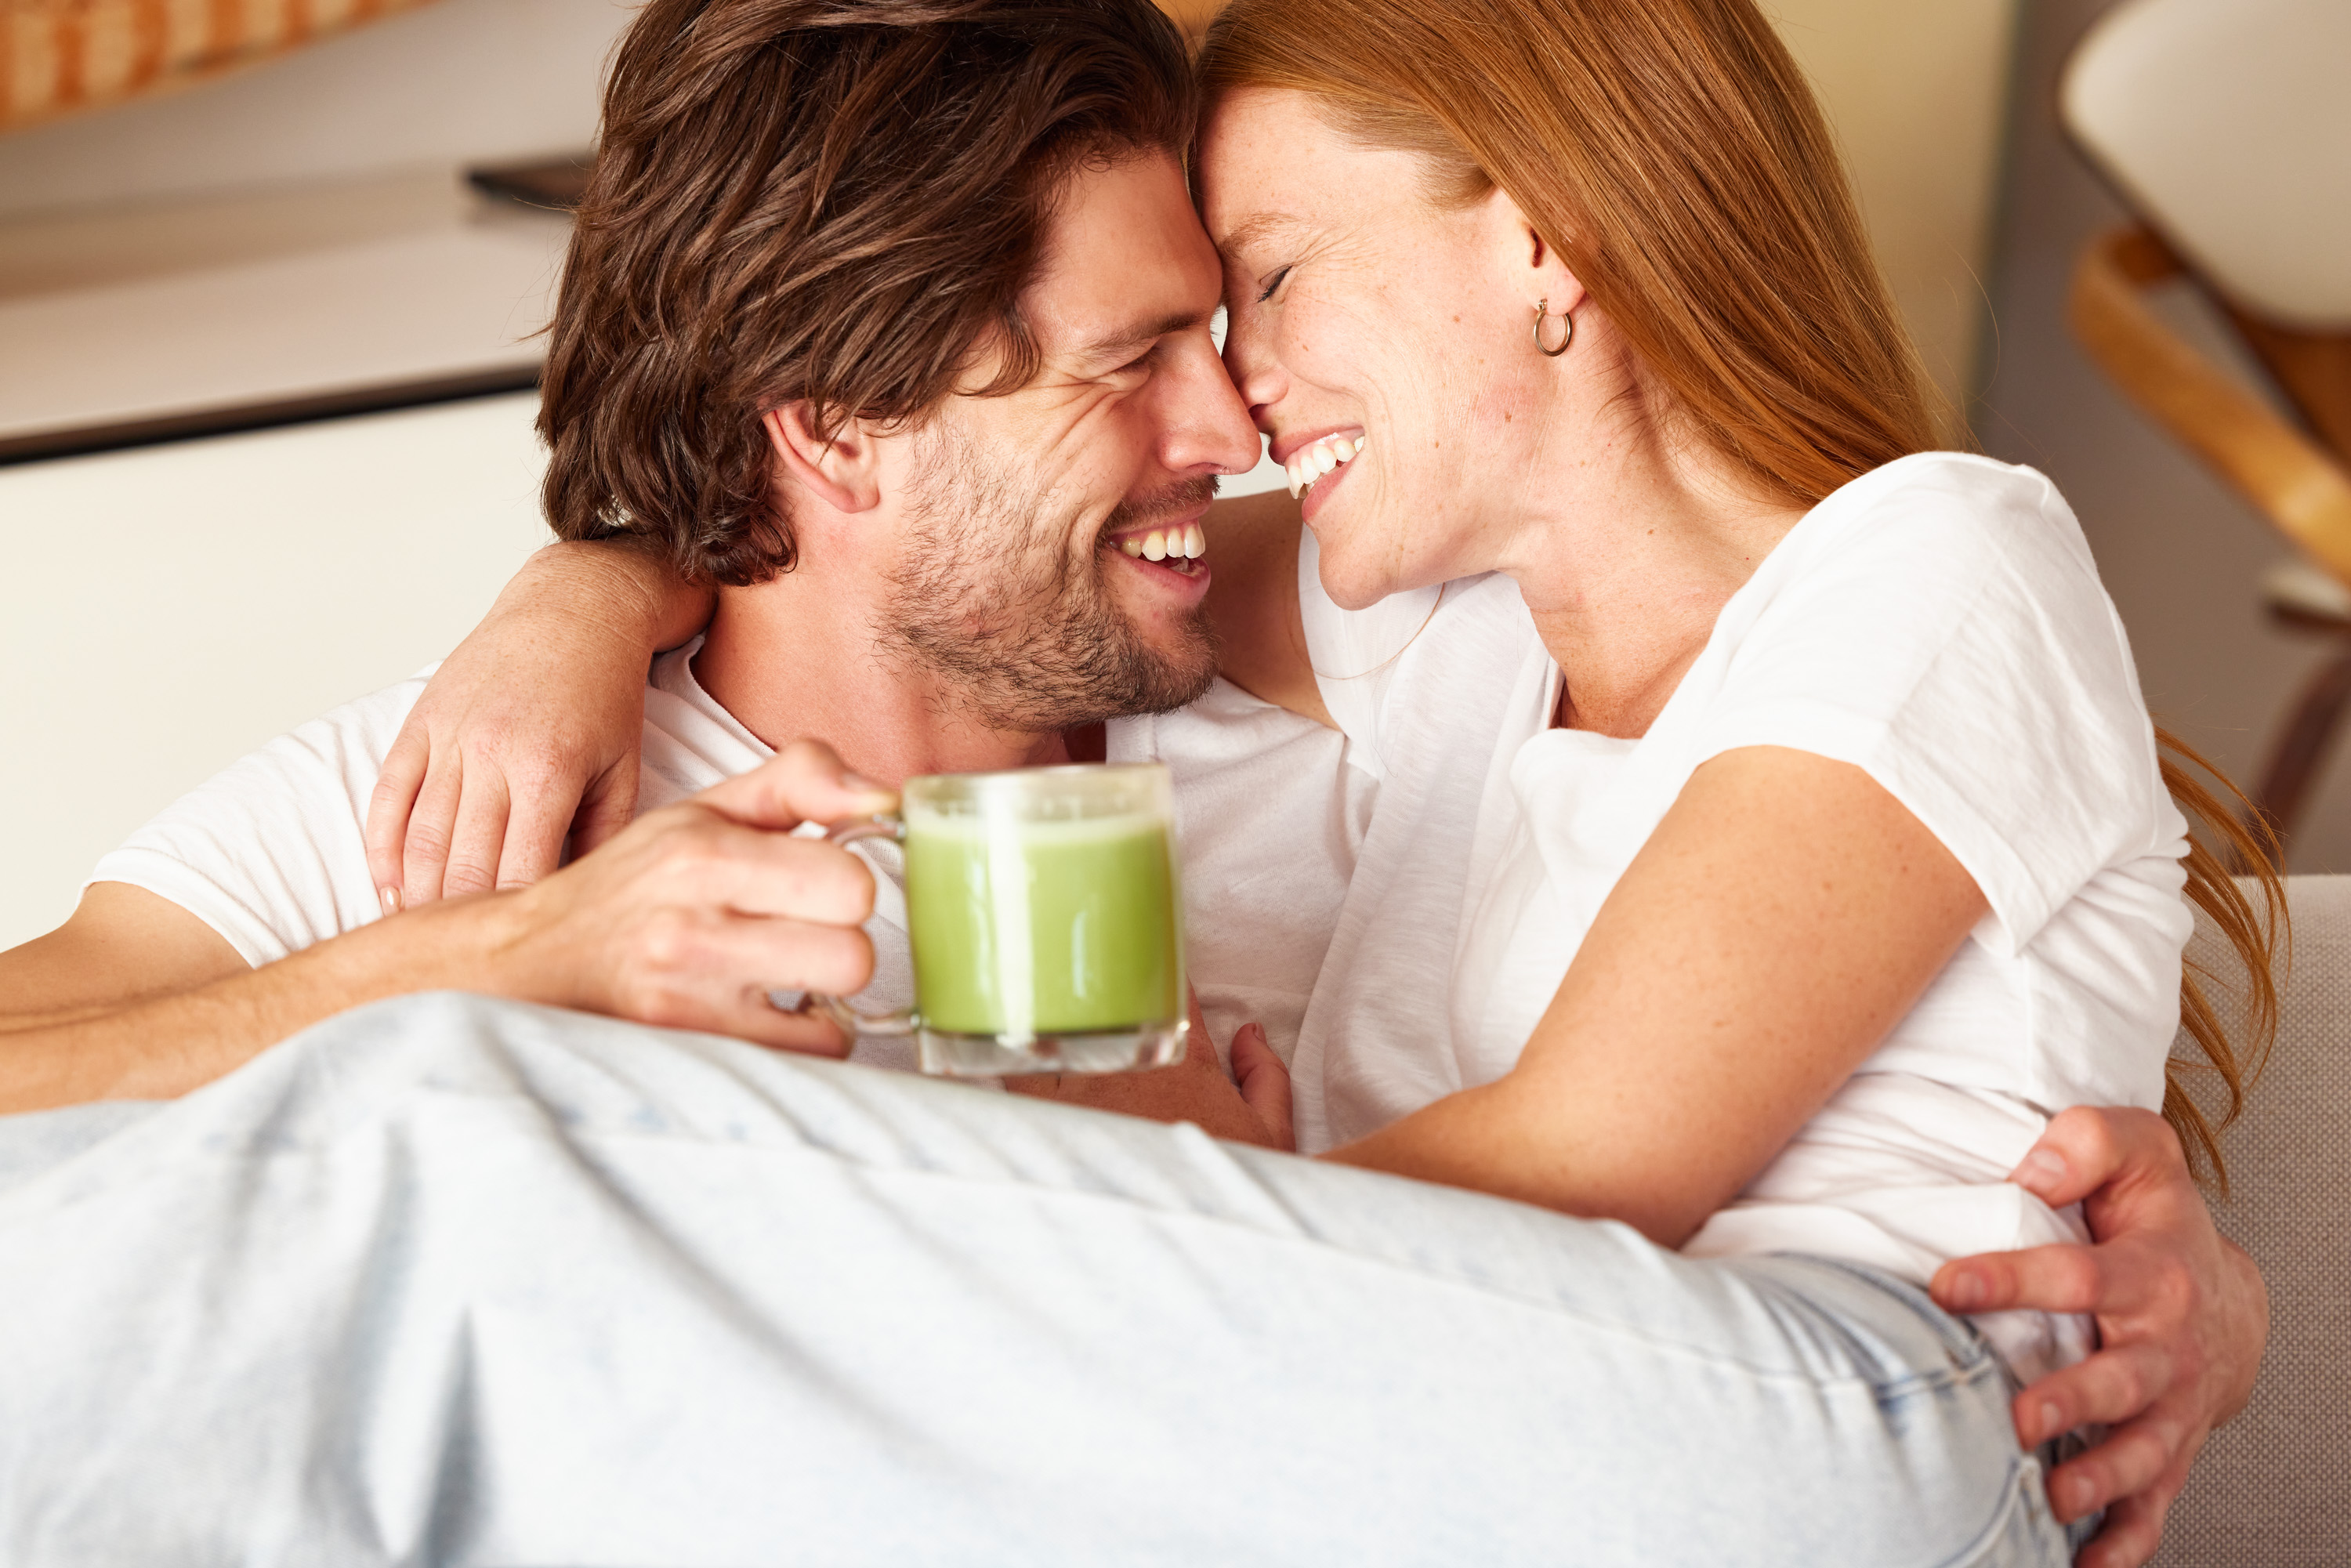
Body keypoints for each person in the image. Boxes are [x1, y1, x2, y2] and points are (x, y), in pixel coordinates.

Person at [0, 0, 2267, 1563]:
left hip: (1776, 1433)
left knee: (452, 1152)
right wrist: (523, 878)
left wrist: (1187, 1184)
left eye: (1251, 296)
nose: (1235, 415)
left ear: (1540, 237)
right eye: (1146, 351)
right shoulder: (479, 810)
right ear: (837, 422)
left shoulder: (1412, 649)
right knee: (433, 1154)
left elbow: (1653, 1128)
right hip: (1470, 1455)